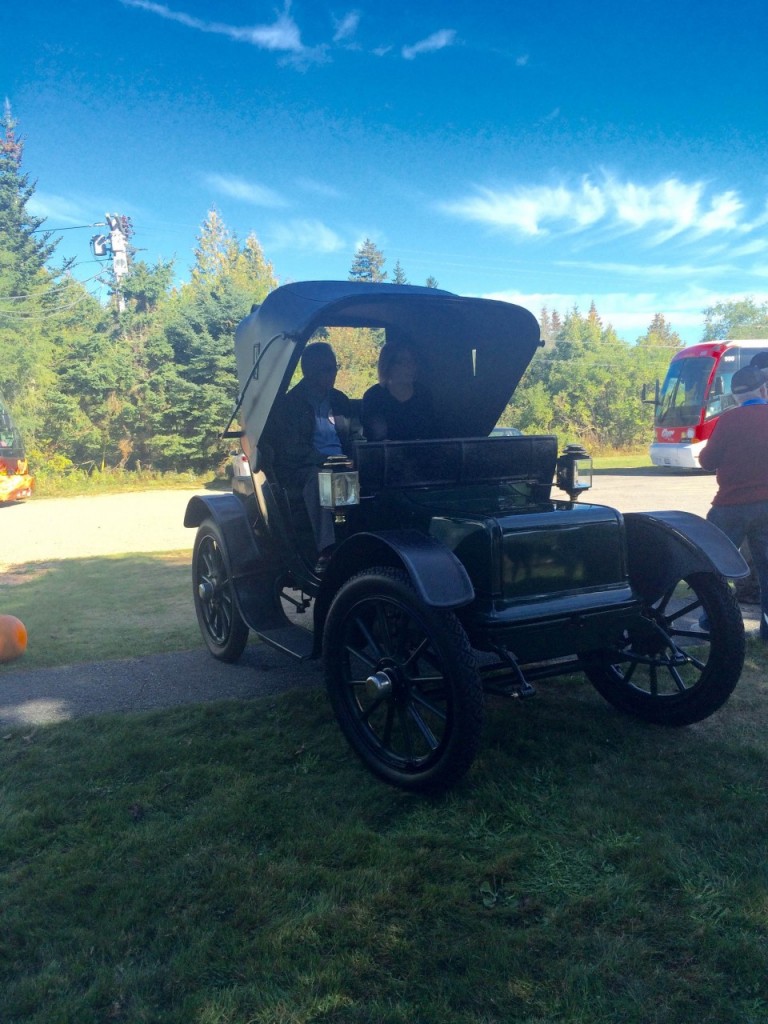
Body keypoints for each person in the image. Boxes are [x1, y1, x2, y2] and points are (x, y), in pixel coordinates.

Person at [263, 342, 362, 561]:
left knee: (372, 478)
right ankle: (327, 549)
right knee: (322, 480)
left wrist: (359, 454)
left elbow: (355, 433)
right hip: (305, 467)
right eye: (327, 369)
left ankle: (366, 542)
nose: (333, 373)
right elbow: (292, 448)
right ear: (309, 371)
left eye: (334, 368)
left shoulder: (340, 400)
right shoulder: (291, 404)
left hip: (342, 464)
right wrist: (328, 460)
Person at [699, 363, 768, 640]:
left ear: (735, 396)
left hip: (731, 505)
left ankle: (711, 622)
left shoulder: (728, 420)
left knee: (714, 565)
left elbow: (706, 461)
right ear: (763, 388)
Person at [361, 342, 436, 441]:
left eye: (412, 362)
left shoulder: (423, 394)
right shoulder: (373, 396)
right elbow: (372, 436)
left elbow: (432, 432)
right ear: (388, 365)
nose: (410, 367)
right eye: (403, 362)